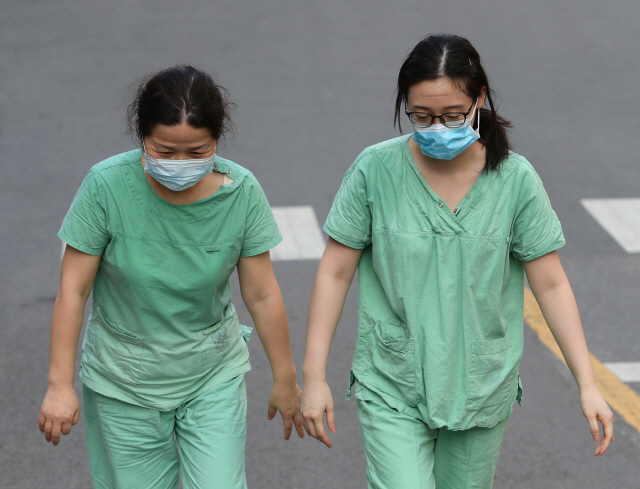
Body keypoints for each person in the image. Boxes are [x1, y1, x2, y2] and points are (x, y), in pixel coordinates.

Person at [300, 34, 613, 489]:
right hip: (393, 379)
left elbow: (551, 285)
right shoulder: (375, 170)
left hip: (480, 386)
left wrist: (587, 384)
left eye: (452, 115)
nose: (437, 128)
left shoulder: (515, 179)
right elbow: (334, 271)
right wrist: (314, 377)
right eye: (421, 116)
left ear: (479, 99)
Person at [38, 65, 303, 489]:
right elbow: (74, 289)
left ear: (218, 139)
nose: (180, 163)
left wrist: (286, 379)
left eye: (197, 152)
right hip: (123, 379)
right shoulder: (105, 186)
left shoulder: (242, 192)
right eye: (164, 151)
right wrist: (58, 385)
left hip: (211, 370)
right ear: (141, 133)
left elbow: (262, 292)